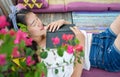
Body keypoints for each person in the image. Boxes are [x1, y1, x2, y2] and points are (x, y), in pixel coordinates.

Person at [9, 5, 120, 77]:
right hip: (104, 56)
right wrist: (80, 45)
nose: (39, 23)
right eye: (34, 23)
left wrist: (64, 23)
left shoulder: (46, 29)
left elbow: (73, 32)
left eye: (37, 18)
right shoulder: (43, 59)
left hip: (101, 37)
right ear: (25, 34)